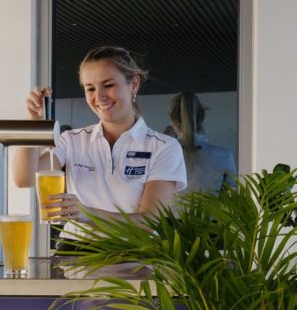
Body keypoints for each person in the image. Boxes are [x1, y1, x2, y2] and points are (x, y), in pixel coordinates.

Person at [13, 46, 186, 226]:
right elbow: (24, 179)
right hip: (74, 243)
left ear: (134, 84)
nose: (99, 96)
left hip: (133, 244)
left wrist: (88, 214)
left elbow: (149, 222)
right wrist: (32, 122)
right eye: (90, 89)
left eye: (108, 85)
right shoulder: (71, 140)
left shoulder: (163, 147)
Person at [163, 92, 239, 194]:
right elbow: (231, 196)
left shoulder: (163, 156)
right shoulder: (224, 156)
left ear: (172, 121)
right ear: (202, 116)